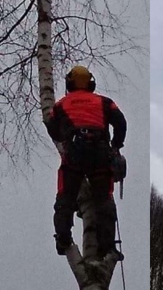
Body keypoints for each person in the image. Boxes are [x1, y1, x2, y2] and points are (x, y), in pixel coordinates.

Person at [44, 65, 127, 258]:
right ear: (90, 83)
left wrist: (64, 138)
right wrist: (115, 145)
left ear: (70, 83)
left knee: (66, 196)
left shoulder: (61, 104)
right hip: (100, 153)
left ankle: (63, 237)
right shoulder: (104, 102)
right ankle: (106, 246)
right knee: (104, 199)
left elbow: (51, 125)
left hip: (74, 151)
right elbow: (121, 122)